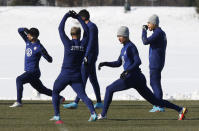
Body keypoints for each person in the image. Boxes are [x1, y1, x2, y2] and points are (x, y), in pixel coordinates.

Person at [97, 26, 187, 120]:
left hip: (132, 77)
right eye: (118, 36)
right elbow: (118, 63)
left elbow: (138, 61)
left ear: (126, 36)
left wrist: (127, 71)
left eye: (120, 36)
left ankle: (103, 115)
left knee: (109, 89)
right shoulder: (124, 49)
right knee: (155, 101)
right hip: (136, 78)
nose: (118, 38)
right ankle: (180, 109)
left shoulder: (131, 47)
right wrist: (104, 64)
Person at [50, 11, 97, 124]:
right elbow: (87, 30)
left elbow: (60, 29)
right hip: (77, 75)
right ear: (80, 35)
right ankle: (93, 113)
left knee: (55, 92)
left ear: (71, 34)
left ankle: (57, 116)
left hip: (65, 75)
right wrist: (78, 18)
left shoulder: (68, 43)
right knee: (83, 96)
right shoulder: (83, 44)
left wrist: (66, 15)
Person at [10, 27, 65, 108]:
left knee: (19, 79)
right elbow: (19, 30)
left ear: (34, 36)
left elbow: (50, 60)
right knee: (41, 90)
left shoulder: (39, 47)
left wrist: (45, 54)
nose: (27, 35)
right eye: (28, 34)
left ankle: (19, 102)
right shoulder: (28, 41)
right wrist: (25, 29)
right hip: (30, 72)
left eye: (29, 34)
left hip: (33, 72)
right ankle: (60, 98)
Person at [63, 9, 103, 109]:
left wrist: (86, 55)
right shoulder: (89, 26)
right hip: (90, 55)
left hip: (89, 56)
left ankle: (76, 102)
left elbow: (91, 42)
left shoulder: (91, 27)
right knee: (93, 78)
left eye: (80, 18)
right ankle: (99, 102)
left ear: (83, 17)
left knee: (82, 78)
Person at [142, 14, 167, 112]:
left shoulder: (158, 32)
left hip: (156, 62)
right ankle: (158, 104)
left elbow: (145, 41)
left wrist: (143, 31)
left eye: (149, 23)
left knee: (154, 83)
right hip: (158, 61)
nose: (148, 25)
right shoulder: (161, 32)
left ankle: (159, 105)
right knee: (155, 83)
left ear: (154, 23)